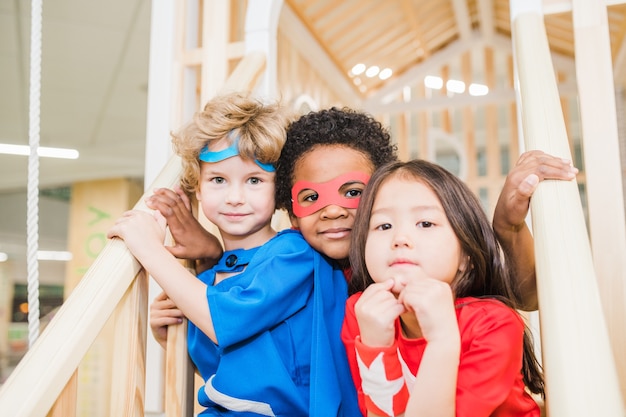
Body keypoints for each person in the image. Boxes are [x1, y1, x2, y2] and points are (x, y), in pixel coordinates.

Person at [108, 93, 360, 416]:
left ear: (278, 188)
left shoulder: (295, 253)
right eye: (218, 180)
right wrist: (169, 338)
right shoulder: (208, 280)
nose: (235, 197)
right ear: (197, 188)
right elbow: (223, 371)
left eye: (254, 180)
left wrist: (150, 249)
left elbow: (225, 320)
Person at [341, 159, 545, 417]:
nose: (400, 239)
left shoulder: (494, 323)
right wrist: (375, 346)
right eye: (384, 226)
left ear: (465, 257)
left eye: (425, 223)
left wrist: (442, 339)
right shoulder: (363, 312)